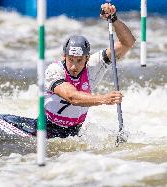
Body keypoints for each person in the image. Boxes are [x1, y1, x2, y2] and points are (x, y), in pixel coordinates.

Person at [44, 3, 136, 138]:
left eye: (79, 60)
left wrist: (114, 19)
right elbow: (72, 97)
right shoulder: (54, 70)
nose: (74, 66)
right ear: (64, 56)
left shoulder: (93, 65)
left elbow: (127, 43)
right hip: (46, 129)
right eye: (70, 59)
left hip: (74, 134)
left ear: (87, 58)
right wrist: (104, 99)